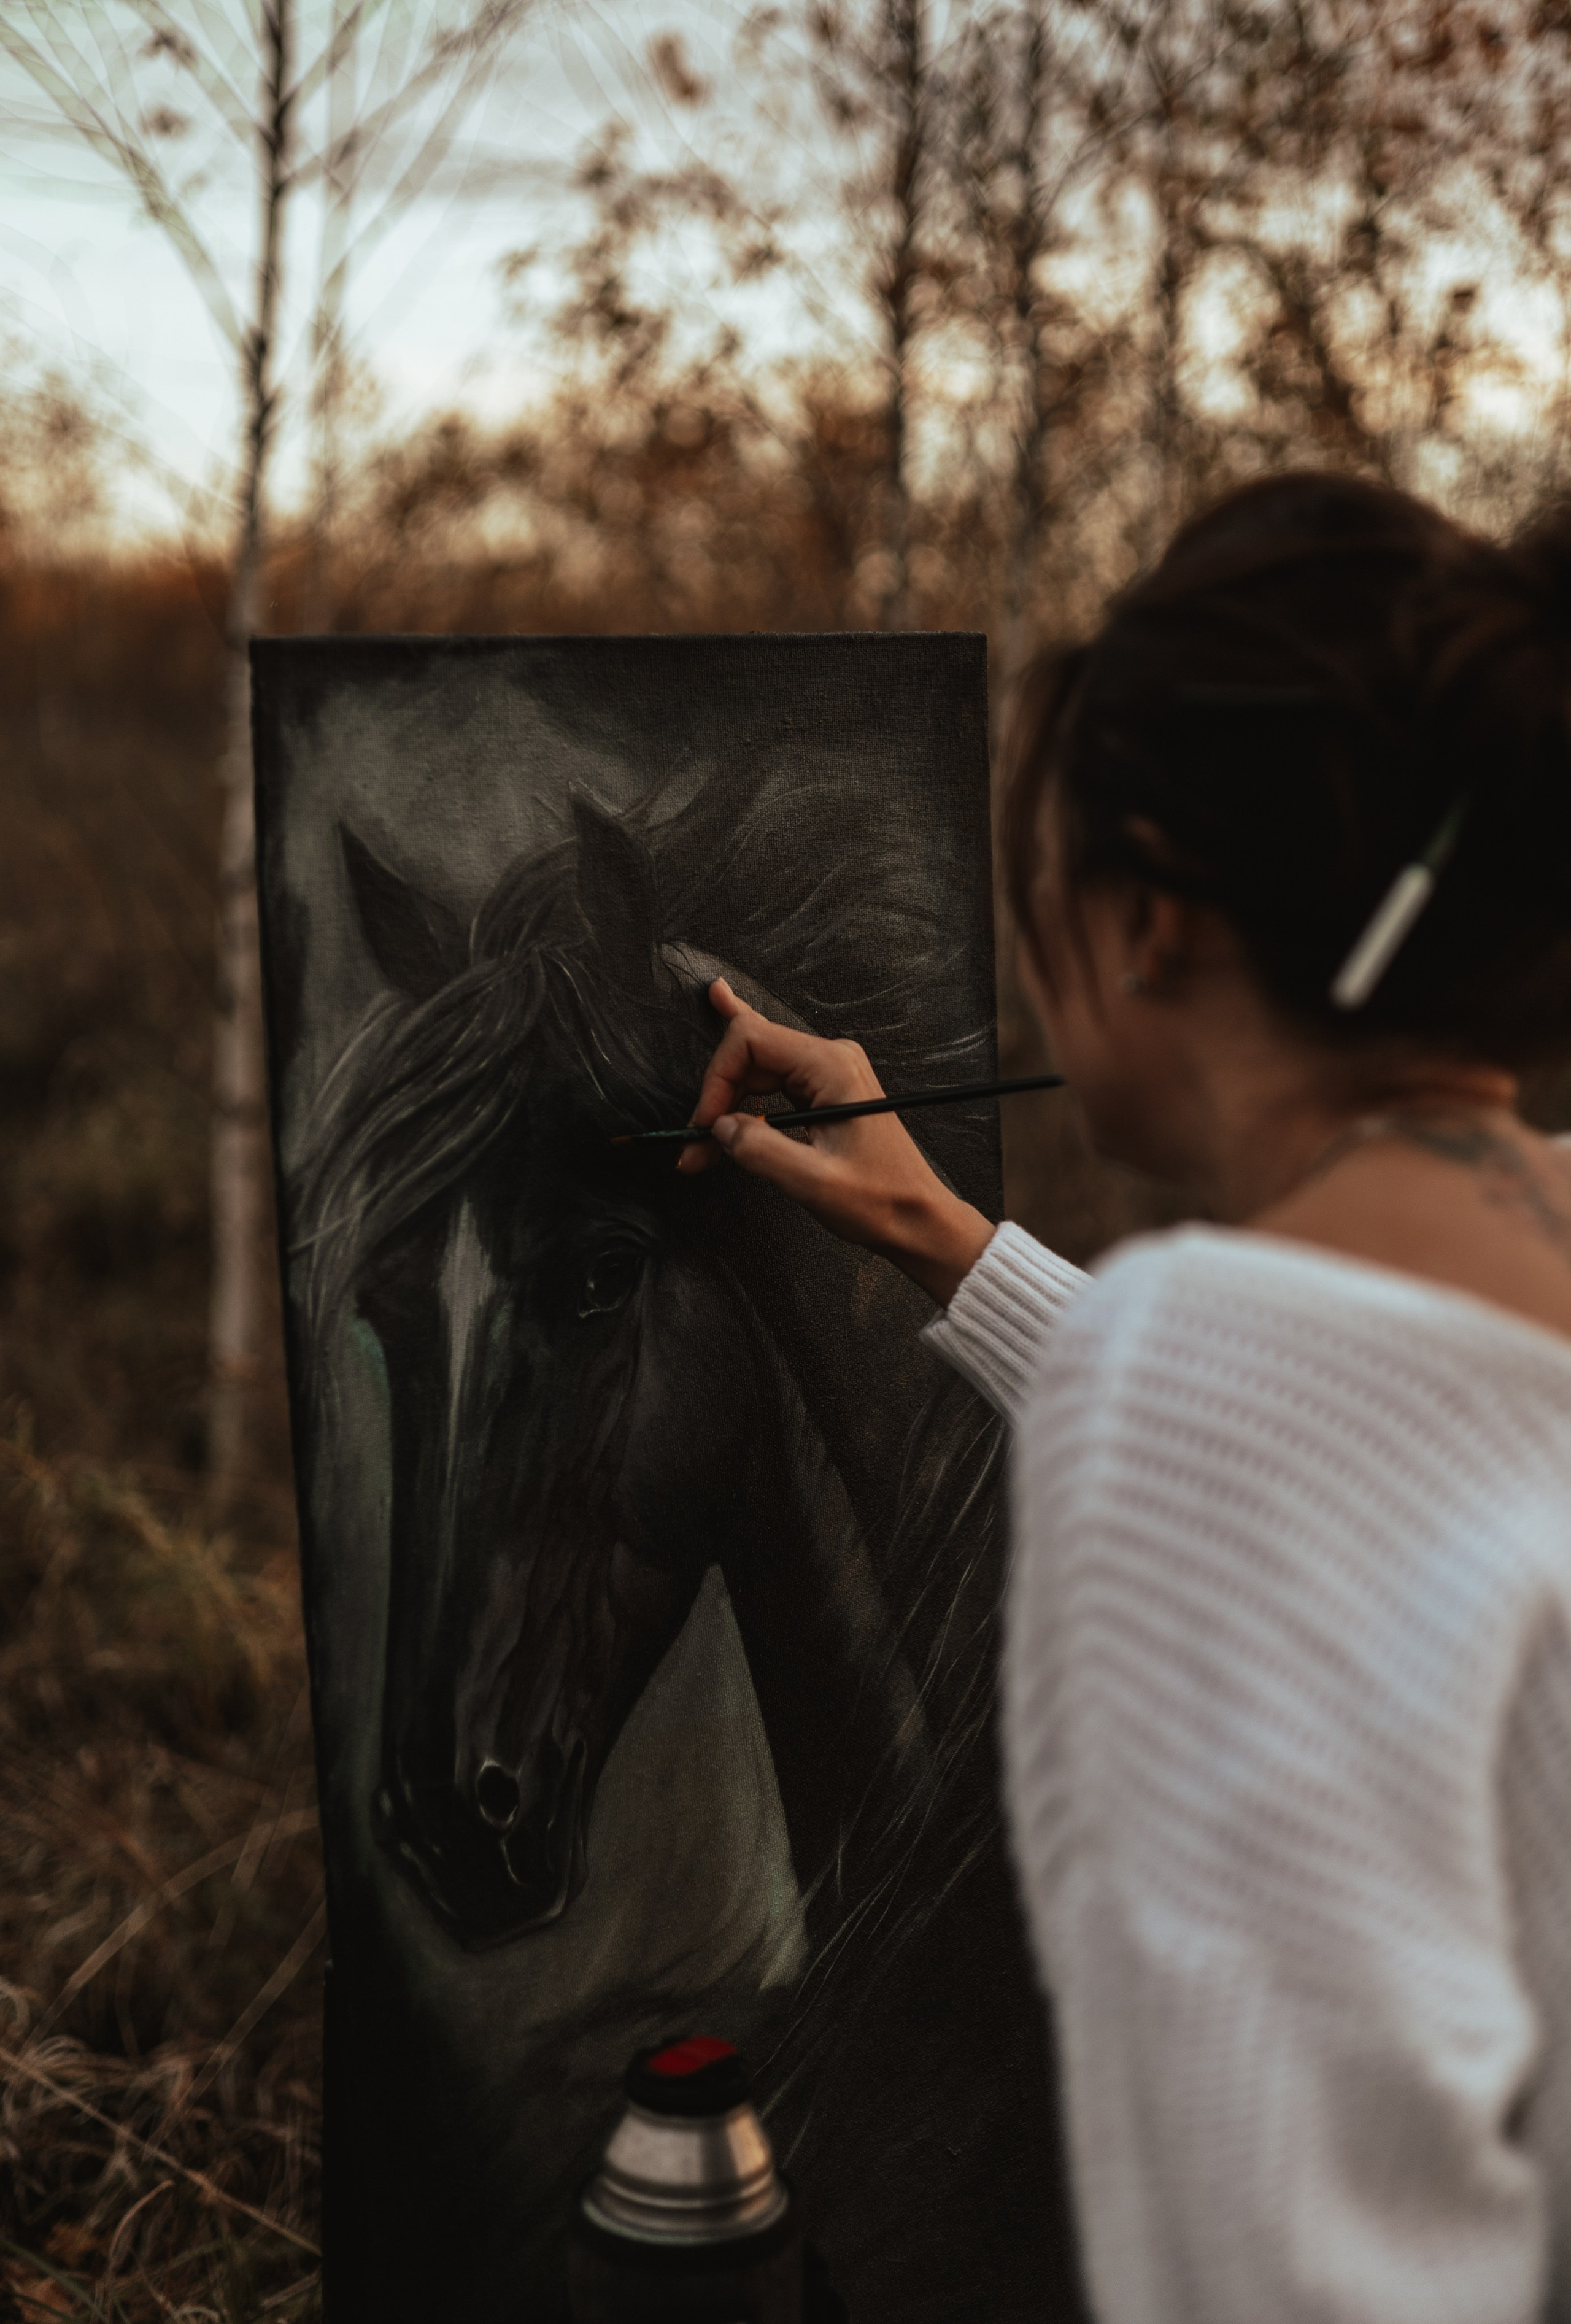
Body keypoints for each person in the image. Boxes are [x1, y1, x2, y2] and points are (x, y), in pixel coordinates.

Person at [677, 471, 1571, 2324]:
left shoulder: (1189, 1390)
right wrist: (940, 1233)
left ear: (1147, 916)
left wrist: (1135, 1378)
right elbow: (1379, 1457)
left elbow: (1287, 2268)